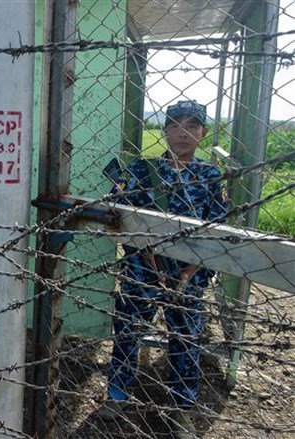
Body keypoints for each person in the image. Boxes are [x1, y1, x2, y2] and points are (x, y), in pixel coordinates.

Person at [101, 100, 228, 438]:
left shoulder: (211, 176)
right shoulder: (141, 171)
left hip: (190, 274)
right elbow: (123, 218)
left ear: (203, 132)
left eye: (192, 126)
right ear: (164, 130)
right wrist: (154, 267)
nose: (183, 133)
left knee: (185, 339)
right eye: (175, 125)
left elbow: (216, 231)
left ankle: (181, 408)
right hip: (143, 269)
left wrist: (185, 275)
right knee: (128, 330)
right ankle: (117, 395)